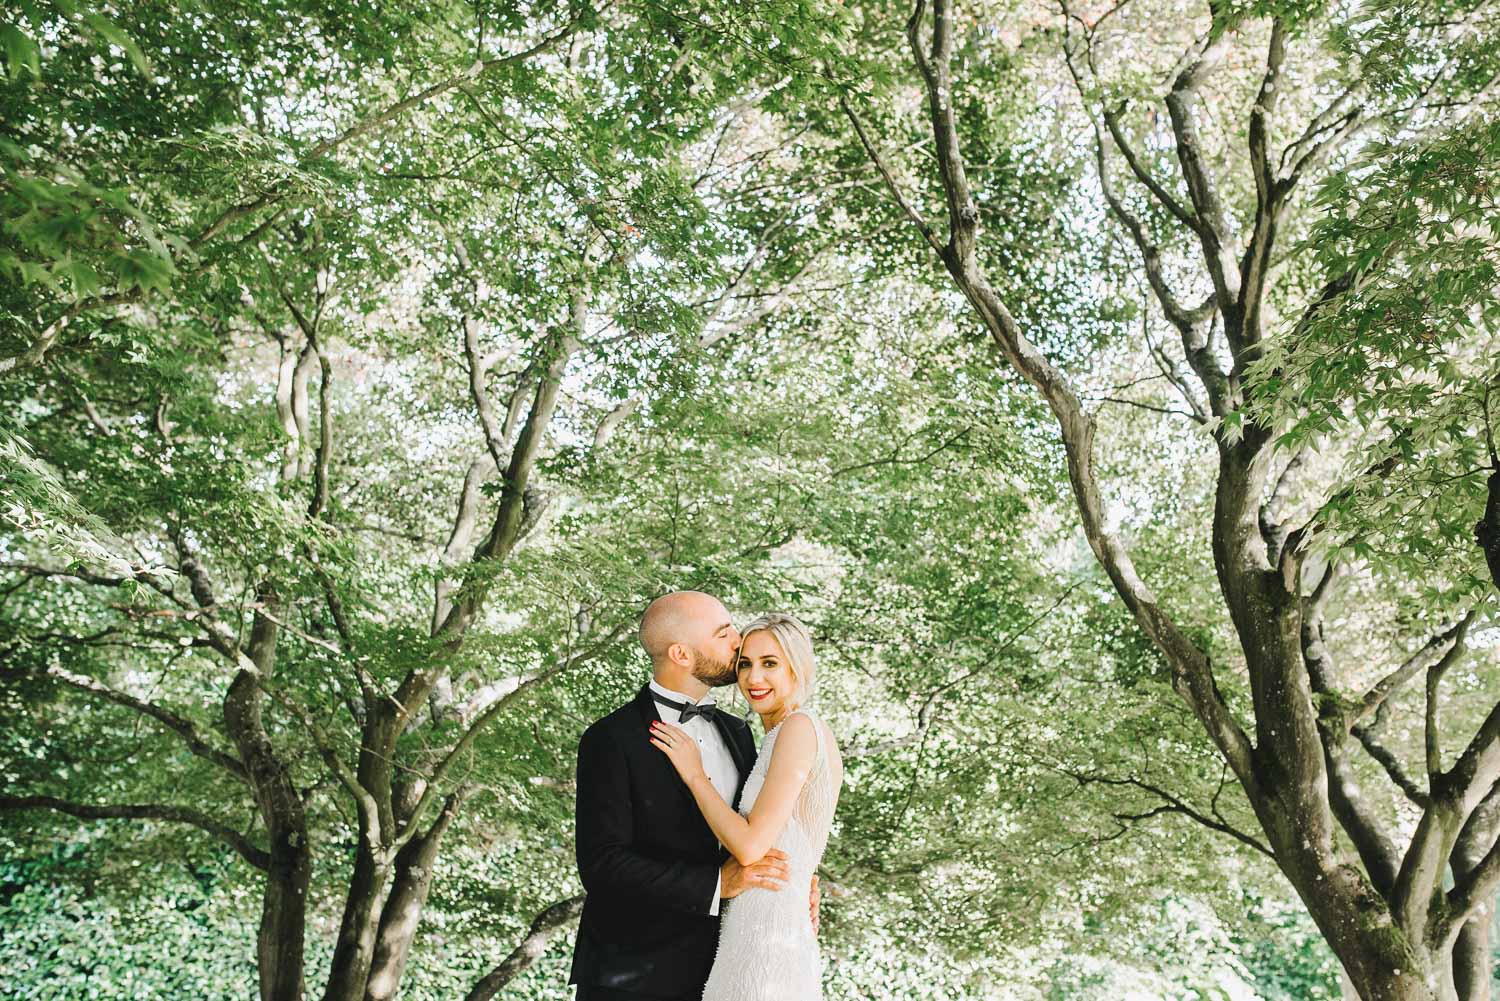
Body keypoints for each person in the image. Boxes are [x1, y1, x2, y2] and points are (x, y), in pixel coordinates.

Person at [569, 591, 819, 1001]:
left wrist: (799, 878)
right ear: (682, 654)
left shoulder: (738, 732)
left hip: (724, 966)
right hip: (632, 975)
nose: (738, 642)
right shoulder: (610, 738)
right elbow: (602, 863)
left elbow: (755, 825)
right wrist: (715, 883)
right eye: (724, 635)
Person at [650, 612, 843, 1001]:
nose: (754, 679)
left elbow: (752, 847)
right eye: (745, 664)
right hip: (758, 920)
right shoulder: (773, 736)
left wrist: (694, 775)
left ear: (797, 666)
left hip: (767, 930)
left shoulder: (798, 729)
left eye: (770, 663)